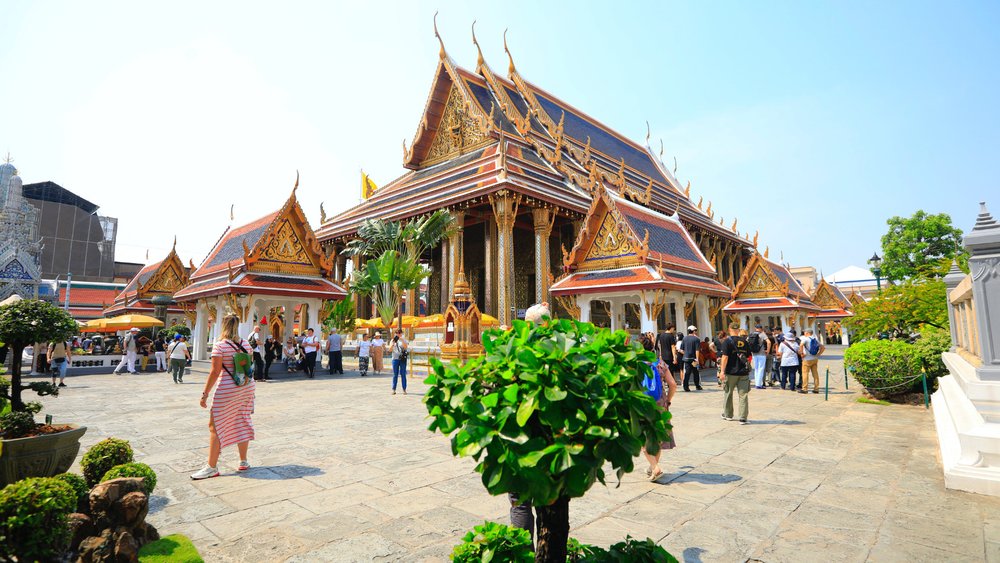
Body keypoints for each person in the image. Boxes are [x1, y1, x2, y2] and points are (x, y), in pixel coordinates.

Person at [191, 314, 256, 480]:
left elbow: (215, 371)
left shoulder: (220, 346)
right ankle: (243, 461)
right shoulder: (246, 344)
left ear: (223, 326)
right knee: (242, 419)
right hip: (246, 386)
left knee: (215, 425)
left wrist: (205, 394)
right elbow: (248, 365)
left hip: (228, 388)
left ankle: (211, 467)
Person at [640, 334, 676, 482]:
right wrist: (667, 400)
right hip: (660, 404)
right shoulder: (659, 363)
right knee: (659, 437)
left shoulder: (634, 365)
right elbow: (673, 384)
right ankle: (653, 466)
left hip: (642, 405)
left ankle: (655, 467)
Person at [719, 322, 752, 424]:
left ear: (729, 329)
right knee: (743, 395)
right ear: (738, 330)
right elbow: (749, 357)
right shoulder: (744, 341)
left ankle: (728, 414)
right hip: (743, 373)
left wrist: (722, 371)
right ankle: (743, 417)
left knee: (728, 393)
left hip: (730, 372)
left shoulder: (727, 342)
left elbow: (725, 357)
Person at [799, 329, 825, 394]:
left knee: (805, 373)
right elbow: (823, 347)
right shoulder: (815, 339)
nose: (804, 333)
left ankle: (805, 389)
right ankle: (816, 388)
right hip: (814, 359)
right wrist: (818, 354)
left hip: (807, 359)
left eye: (805, 332)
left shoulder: (805, 339)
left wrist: (801, 353)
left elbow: (801, 345)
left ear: (807, 333)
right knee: (815, 374)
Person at [679, 326, 702, 392]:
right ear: (694, 331)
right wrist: (697, 359)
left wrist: (686, 354)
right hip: (693, 359)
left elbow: (681, 350)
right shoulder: (696, 339)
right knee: (696, 372)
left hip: (686, 358)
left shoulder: (684, 338)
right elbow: (697, 350)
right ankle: (697, 385)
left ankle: (686, 386)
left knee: (687, 373)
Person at [749, 324, 771, 389]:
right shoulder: (762, 334)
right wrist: (768, 350)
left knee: (756, 369)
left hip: (754, 353)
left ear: (755, 328)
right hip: (761, 353)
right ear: (761, 328)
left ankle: (756, 383)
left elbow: (748, 342)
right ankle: (759, 384)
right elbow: (769, 342)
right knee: (761, 368)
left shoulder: (751, 334)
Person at [389, 328, 408, 395]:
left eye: (400, 333)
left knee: (403, 374)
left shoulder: (403, 340)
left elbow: (406, 347)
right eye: (397, 333)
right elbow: (390, 350)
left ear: (401, 333)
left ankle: (404, 389)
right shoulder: (392, 340)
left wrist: (402, 340)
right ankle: (393, 389)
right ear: (395, 333)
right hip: (395, 359)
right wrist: (392, 344)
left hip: (402, 359)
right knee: (395, 374)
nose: (398, 334)